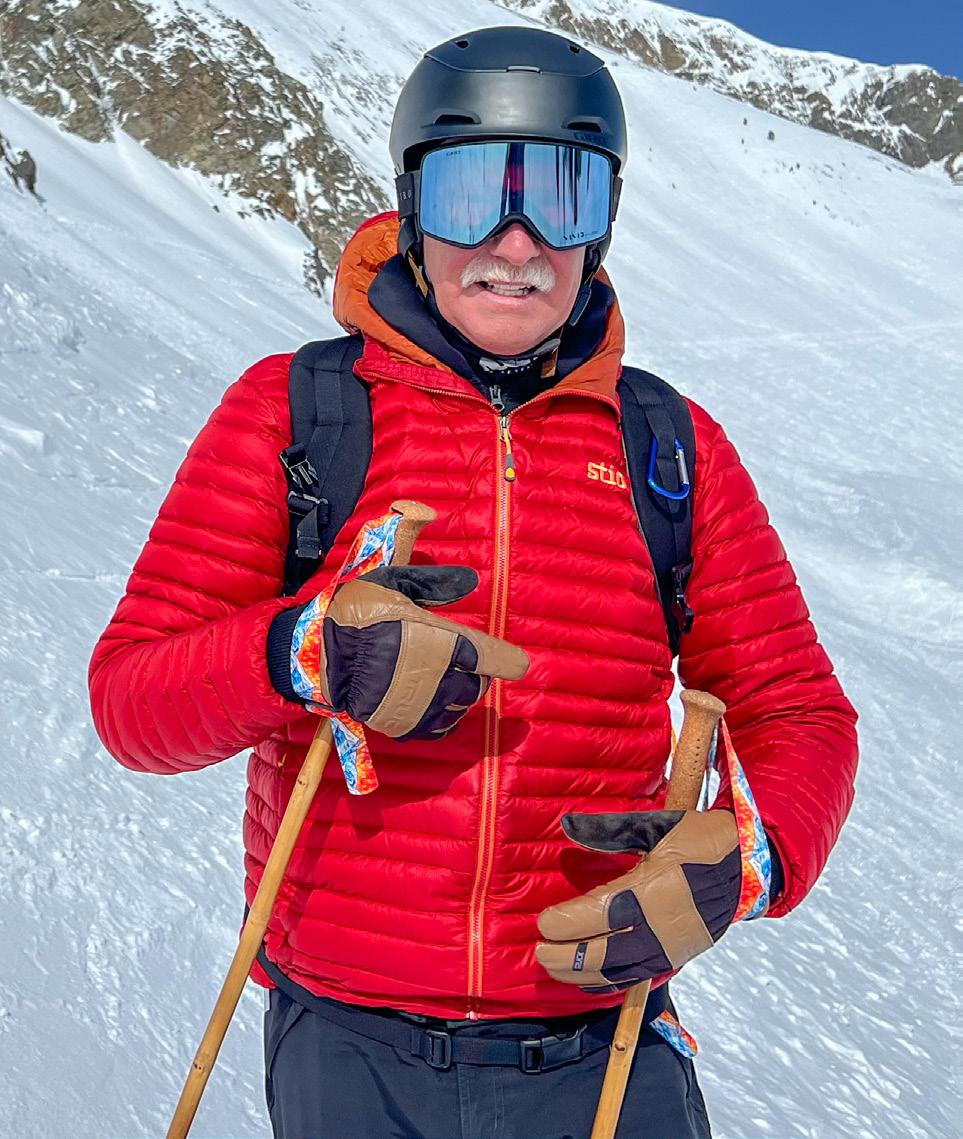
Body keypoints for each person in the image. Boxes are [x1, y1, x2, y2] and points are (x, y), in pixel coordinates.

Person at [89, 25, 858, 1139]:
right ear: (411, 207)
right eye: (469, 193)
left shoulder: (667, 448)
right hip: (349, 1047)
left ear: (603, 221)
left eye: (561, 193)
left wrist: (749, 857)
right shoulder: (299, 415)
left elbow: (798, 710)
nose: (517, 242)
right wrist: (301, 651)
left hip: (600, 1043)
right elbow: (132, 700)